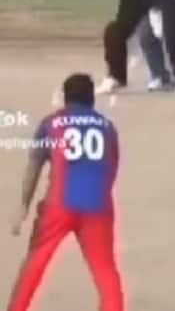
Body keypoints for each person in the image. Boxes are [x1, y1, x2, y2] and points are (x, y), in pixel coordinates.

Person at [7, 74, 124, 311]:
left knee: (35, 263)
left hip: (59, 205)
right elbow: (112, 166)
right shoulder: (107, 127)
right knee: (105, 271)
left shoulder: (51, 123)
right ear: (92, 98)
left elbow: (34, 167)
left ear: (65, 98)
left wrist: (24, 205)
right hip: (97, 206)